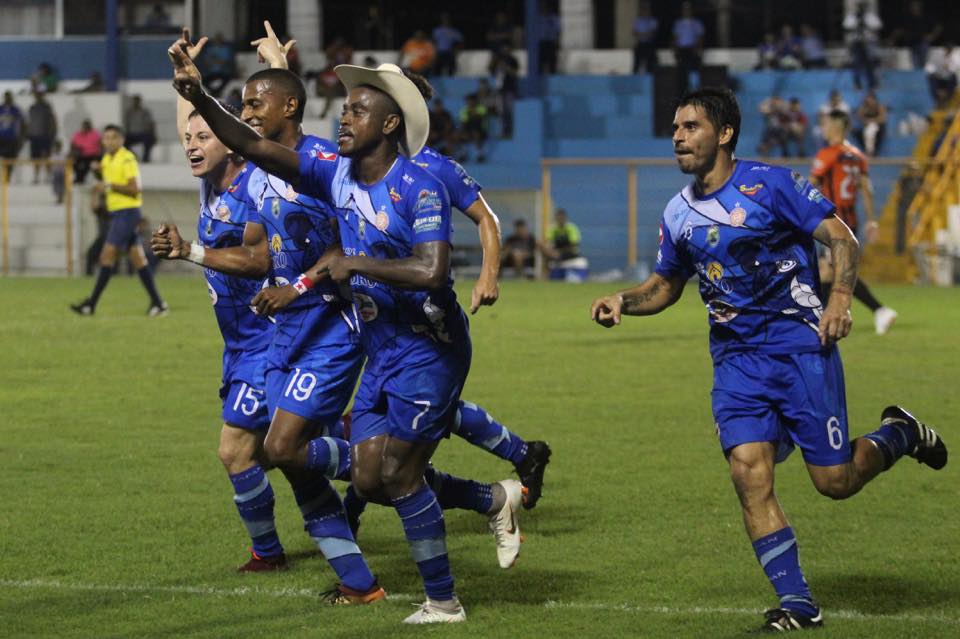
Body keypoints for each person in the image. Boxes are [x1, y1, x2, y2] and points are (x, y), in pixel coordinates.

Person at [169, 46, 530, 622]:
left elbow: (432, 270)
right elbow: (255, 147)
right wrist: (197, 96)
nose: (344, 117)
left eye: (357, 111)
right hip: (376, 344)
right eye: (344, 109)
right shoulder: (336, 175)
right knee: (370, 477)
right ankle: (492, 497)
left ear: (388, 124)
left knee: (386, 471)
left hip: (427, 346)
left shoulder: (421, 184)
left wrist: (346, 266)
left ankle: (443, 601)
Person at [590, 87, 947, 633]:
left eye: (690, 127)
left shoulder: (772, 185)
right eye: (676, 127)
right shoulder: (677, 212)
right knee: (747, 471)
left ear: (724, 133)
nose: (678, 137)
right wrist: (624, 301)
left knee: (835, 481)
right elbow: (666, 285)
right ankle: (798, 603)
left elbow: (842, 239)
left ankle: (899, 433)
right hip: (736, 362)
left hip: (800, 350)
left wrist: (841, 298)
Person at [811, 109, 897, 334]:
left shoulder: (827, 154)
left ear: (835, 127)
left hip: (833, 222)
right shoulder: (857, 156)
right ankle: (820, 319)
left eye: (825, 124)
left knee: (837, 270)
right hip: (851, 220)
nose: (823, 129)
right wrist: (871, 220)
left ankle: (879, 310)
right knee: (827, 271)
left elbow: (809, 187)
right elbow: (866, 189)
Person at [70, 124, 167, 316]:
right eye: (106, 138)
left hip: (128, 213)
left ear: (121, 140)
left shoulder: (127, 158)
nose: (109, 141)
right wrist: (97, 172)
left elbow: (135, 189)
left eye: (113, 137)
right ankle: (158, 304)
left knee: (106, 256)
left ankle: (91, 305)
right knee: (139, 260)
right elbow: (106, 177)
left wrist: (108, 185)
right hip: (117, 214)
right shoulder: (107, 159)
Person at [843, 1, 882, 90]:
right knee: (857, 63)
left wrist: (866, 25)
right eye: (859, 6)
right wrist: (856, 25)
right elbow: (846, 26)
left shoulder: (870, 16)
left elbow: (878, 26)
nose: (861, 8)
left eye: (863, 6)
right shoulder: (852, 17)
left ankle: (872, 83)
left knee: (870, 63)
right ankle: (857, 83)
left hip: (868, 42)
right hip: (856, 42)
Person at [894, 1, 941, 70]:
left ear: (919, 7)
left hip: (923, 43)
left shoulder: (925, 17)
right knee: (914, 65)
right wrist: (892, 39)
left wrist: (932, 36)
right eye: (912, 6)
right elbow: (900, 30)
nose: (913, 7)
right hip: (911, 44)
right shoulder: (908, 18)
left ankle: (923, 74)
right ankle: (918, 74)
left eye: (915, 6)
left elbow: (938, 27)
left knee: (923, 63)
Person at [672, 1, 704, 95]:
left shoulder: (696, 23)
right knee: (682, 72)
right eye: (685, 9)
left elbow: (700, 38)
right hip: (682, 50)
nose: (686, 11)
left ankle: (696, 90)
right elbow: (675, 38)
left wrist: (699, 49)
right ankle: (682, 93)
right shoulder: (678, 23)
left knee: (694, 71)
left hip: (693, 49)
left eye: (688, 9)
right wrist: (675, 50)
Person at [26, 91, 57, 184]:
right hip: (34, 136)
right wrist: (29, 133)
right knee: (35, 157)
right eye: (36, 95)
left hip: (45, 136)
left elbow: (52, 121)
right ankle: (36, 176)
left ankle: (49, 176)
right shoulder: (32, 107)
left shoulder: (47, 107)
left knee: (46, 156)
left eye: (39, 95)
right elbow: (30, 121)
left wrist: (52, 135)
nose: (38, 97)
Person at [490, 44, 519, 138]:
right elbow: (491, 71)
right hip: (499, 90)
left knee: (509, 111)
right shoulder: (498, 60)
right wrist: (494, 61)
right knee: (501, 112)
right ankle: (503, 131)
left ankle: (510, 131)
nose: (505, 50)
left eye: (507, 48)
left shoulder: (513, 60)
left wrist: (506, 67)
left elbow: (515, 73)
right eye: (503, 48)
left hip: (509, 89)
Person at [0, 91, 25, 180]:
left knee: (11, 159)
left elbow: (22, 123)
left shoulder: (15, 109)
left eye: (9, 97)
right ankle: (4, 176)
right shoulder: (1, 108)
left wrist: (21, 138)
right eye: (6, 97)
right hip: (1, 138)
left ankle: (8, 177)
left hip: (11, 139)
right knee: (3, 159)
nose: (8, 99)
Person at [124, 95, 156, 163]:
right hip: (131, 134)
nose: (136, 103)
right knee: (123, 142)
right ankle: (133, 156)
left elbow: (151, 123)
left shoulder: (145, 112)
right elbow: (126, 124)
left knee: (149, 140)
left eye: (137, 101)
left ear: (140, 102)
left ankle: (145, 159)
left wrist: (153, 133)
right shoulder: (129, 112)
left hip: (142, 134)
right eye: (134, 101)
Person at [854, 91, 887, 156]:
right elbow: (859, 117)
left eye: (871, 99)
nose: (869, 101)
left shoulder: (879, 107)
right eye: (868, 100)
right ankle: (869, 150)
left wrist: (871, 120)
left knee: (870, 131)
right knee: (865, 132)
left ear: (874, 99)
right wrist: (866, 119)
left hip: (877, 126)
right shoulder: (864, 107)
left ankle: (871, 151)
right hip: (866, 126)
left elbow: (882, 118)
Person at [459, 93, 489, 163]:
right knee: (462, 134)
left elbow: (480, 118)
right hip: (469, 130)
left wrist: (473, 114)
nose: (470, 103)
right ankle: (463, 154)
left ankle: (480, 154)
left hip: (481, 130)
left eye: (471, 101)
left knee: (476, 133)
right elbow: (464, 122)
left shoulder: (481, 108)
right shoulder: (465, 110)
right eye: (468, 101)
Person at [69, 119, 101, 183]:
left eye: (87, 126)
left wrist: (99, 152)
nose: (85, 128)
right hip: (81, 155)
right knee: (75, 164)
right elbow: (73, 144)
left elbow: (100, 144)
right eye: (84, 126)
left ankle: (81, 178)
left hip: (93, 155)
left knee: (87, 165)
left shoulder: (95, 134)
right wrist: (74, 151)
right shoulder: (78, 134)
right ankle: (79, 178)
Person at [632, 1, 659, 74]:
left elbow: (652, 33)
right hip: (640, 44)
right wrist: (645, 34)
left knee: (650, 65)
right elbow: (634, 33)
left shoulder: (653, 21)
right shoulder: (638, 21)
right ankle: (635, 77)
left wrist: (641, 34)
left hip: (649, 45)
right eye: (643, 9)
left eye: (646, 9)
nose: (644, 11)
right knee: (636, 64)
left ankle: (650, 77)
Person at [538, 1, 561, 75]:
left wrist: (557, 42)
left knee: (552, 63)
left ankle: (552, 77)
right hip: (540, 43)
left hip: (550, 43)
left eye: (546, 7)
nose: (544, 9)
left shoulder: (554, 18)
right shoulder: (538, 18)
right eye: (542, 7)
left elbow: (558, 31)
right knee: (540, 62)